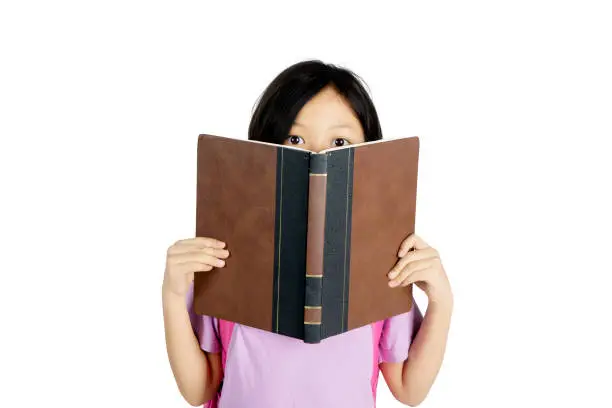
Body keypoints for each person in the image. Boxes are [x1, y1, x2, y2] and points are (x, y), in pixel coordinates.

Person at [162, 60, 454, 407]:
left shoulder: (378, 260)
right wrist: (172, 293)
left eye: (340, 140)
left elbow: (410, 388)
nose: (317, 155)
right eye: (296, 138)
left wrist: (442, 301)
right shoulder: (229, 252)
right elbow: (200, 390)